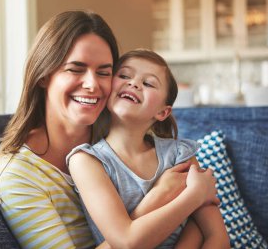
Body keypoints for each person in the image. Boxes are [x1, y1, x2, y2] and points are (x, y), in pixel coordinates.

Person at [0, 10, 218, 249]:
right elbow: (128, 238)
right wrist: (158, 198)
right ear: (43, 75)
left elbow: (203, 226)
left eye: (104, 72)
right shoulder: (16, 174)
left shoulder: (119, 134)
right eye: (76, 69)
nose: (92, 84)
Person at [67, 49, 230, 249]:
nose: (133, 83)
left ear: (163, 112)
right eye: (124, 75)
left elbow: (218, 238)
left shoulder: (179, 155)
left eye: (148, 83)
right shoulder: (86, 161)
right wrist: (195, 195)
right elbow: (125, 244)